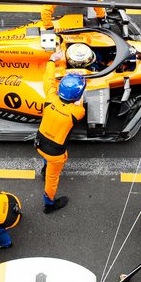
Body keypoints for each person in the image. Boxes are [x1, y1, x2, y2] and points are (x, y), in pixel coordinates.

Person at [35, 49, 87, 213]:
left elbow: (48, 79)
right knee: (52, 179)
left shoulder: (50, 98)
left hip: (39, 143)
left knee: (47, 164)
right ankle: (49, 204)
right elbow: (79, 101)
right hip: (55, 154)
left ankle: (44, 168)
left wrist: (52, 59)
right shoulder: (77, 112)